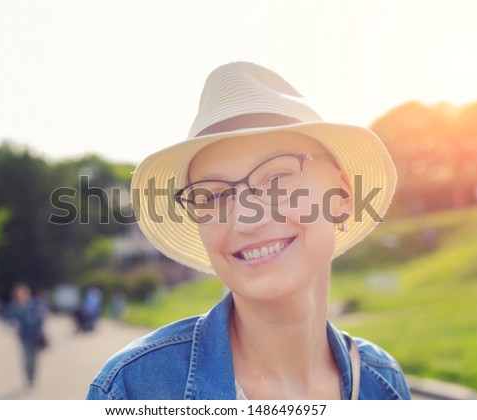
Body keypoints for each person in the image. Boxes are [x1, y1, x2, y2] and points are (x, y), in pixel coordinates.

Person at [87, 62, 411, 400]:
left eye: (276, 178)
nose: (246, 218)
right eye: (213, 195)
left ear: (343, 194)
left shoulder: (382, 385)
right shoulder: (134, 390)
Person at [5, 283, 47, 387]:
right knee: (27, 357)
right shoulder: (13, 307)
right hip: (24, 336)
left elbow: (41, 318)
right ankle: (29, 378)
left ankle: (33, 375)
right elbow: (9, 320)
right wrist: (15, 328)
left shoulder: (34, 304)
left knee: (34, 357)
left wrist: (41, 330)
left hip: (35, 334)